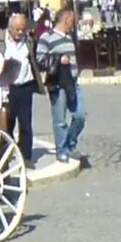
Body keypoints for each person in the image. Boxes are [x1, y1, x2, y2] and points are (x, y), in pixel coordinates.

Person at [36, 8, 86, 164]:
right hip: (57, 83)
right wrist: (58, 59)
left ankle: (71, 142)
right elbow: (40, 59)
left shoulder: (69, 37)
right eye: (73, 21)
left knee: (80, 116)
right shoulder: (47, 37)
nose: (74, 24)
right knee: (60, 120)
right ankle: (62, 150)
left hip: (73, 82)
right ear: (66, 20)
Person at [1, 13, 45, 169]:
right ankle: (6, 154)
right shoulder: (2, 42)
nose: (20, 33)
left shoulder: (29, 41)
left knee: (25, 123)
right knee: (7, 123)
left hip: (25, 86)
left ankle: (26, 156)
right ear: (10, 28)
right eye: (17, 30)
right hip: (8, 88)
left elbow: (34, 60)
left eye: (23, 29)